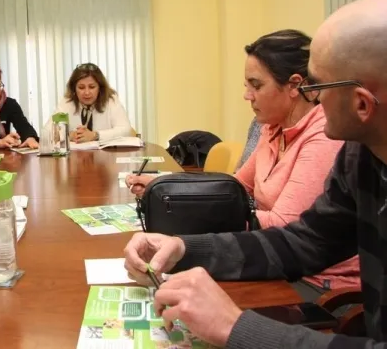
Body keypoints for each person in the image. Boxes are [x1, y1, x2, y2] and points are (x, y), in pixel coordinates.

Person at [124, 0, 387, 348]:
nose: (313, 97)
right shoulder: (360, 155)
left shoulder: (338, 142)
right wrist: (184, 248)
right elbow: (304, 242)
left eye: (317, 86)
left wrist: (235, 327)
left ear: (362, 105)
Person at [125, 29, 358, 296]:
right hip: (270, 257)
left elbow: (283, 225)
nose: (247, 95)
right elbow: (235, 187)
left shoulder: (325, 135)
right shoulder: (272, 128)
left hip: (316, 283)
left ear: (295, 85)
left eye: (256, 85)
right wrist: (166, 188)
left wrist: (189, 211)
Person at [44, 63, 133, 143]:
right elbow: (47, 132)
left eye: (92, 87)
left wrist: (95, 135)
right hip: (76, 155)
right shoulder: (67, 103)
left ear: (100, 88)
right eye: (81, 87)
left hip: (106, 155)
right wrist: (69, 135)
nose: (87, 92)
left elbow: (126, 130)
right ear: (74, 89)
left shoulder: (110, 101)